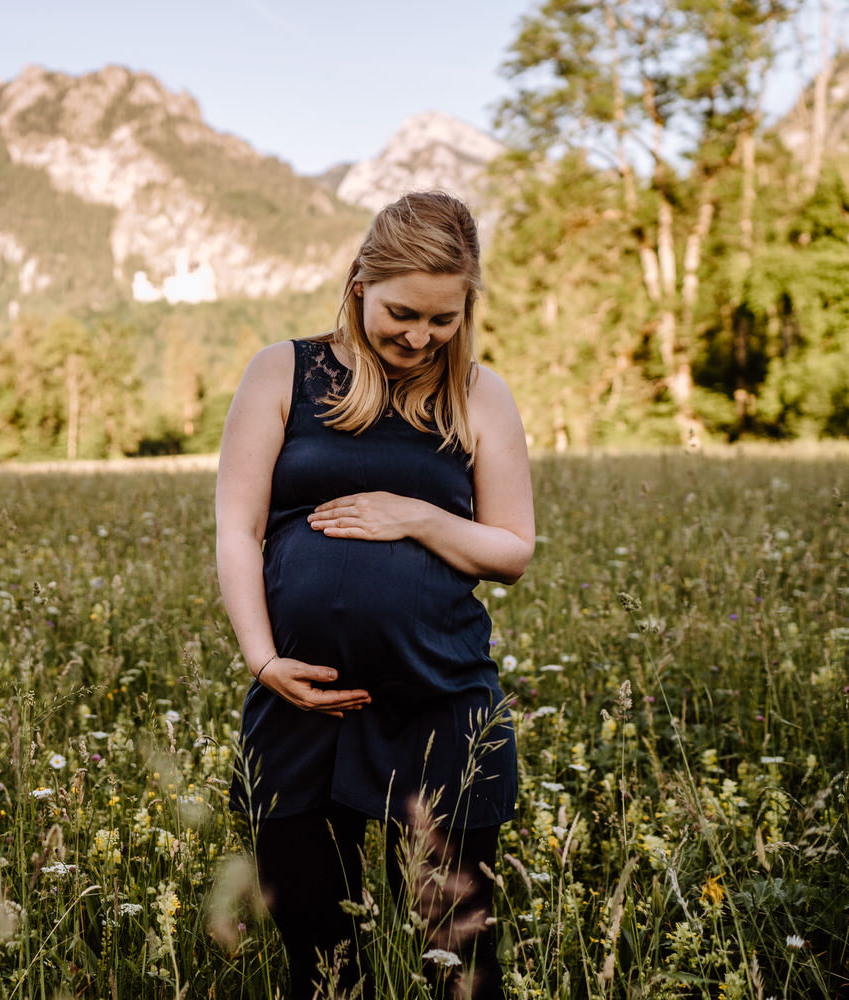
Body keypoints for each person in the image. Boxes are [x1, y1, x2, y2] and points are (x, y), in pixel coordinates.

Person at [215, 191, 534, 1000]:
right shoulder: (283, 369)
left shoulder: (480, 395)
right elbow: (236, 530)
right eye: (402, 312)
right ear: (360, 282)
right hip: (304, 708)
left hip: (439, 702)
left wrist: (419, 517)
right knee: (321, 965)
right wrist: (263, 662)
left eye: (443, 319)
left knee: (460, 963)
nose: (420, 337)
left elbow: (512, 550)